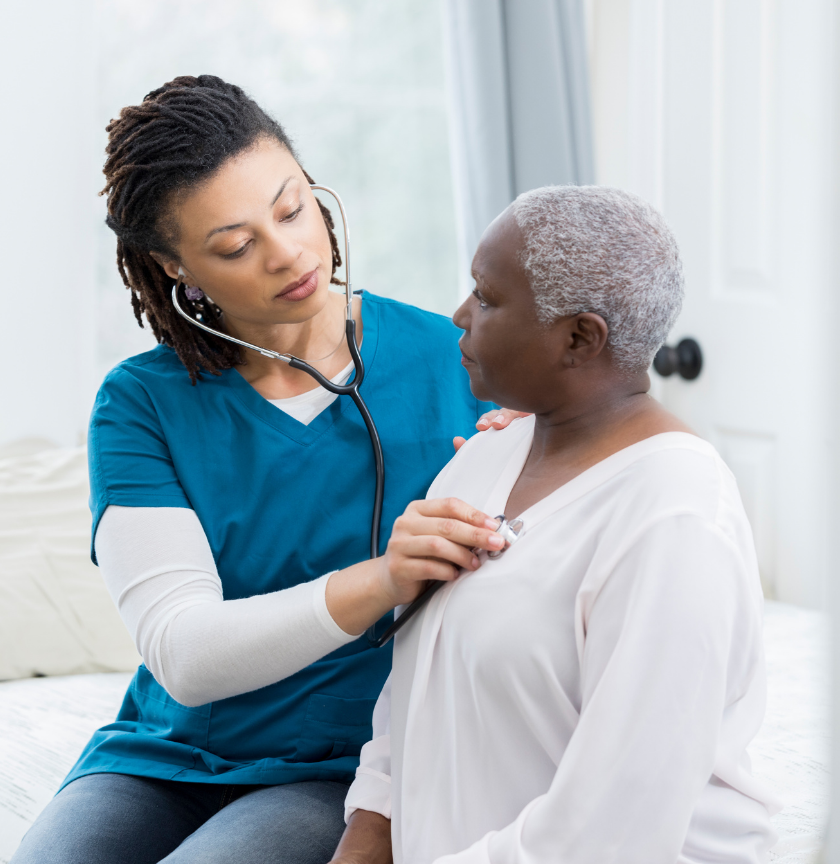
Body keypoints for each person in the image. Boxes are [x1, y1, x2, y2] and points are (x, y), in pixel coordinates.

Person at [11, 75, 523, 864]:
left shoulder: (459, 361)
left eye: (292, 208)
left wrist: (534, 464)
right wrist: (385, 577)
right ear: (176, 268)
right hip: (166, 759)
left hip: (348, 768)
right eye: (234, 245)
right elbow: (185, 655)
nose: (288, 252)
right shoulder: (141, 404)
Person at [331, 186, 779, 864]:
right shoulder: (482, 458)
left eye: (486, 298)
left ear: (579, 337)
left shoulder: (675, 519)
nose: (459, 314)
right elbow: (411, 710)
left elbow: (607, 836)